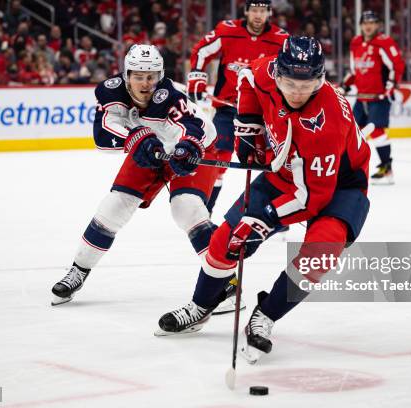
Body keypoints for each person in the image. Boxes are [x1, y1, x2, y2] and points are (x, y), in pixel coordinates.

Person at [156, 37, 371, 364]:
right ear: (277, 72)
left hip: (339, 185)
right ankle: (201, 306)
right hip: (288, 170)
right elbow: (245, 78)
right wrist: (248, 129)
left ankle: (266, 315)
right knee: (224, 240)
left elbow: (312, 199)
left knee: (320, 254)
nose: (298, 92)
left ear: (321, 79)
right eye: (289, 83)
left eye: (308, 84)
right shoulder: (265, 71)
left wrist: (263, 219)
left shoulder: (326, 123)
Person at [50, 45, 225, 310]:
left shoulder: (171, 95)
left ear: (161, 75)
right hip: (148, 145)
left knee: (186, 209)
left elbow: (195, 127)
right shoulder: (111, 91)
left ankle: (227, 285)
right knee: (114, 206)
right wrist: (136, 138)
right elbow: (102, 132)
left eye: (151, 76)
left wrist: (187, 147)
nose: (145, 83)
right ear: (126, 74)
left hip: (195, 149)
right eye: (139, 76)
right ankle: (78, 271)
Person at [188, 0, 288, 215]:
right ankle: (205, 211)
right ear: (246, 12)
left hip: (261, 113)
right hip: (227, 109)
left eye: (262, 11)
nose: (258, 15)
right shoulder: (228, 31)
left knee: (269, 162)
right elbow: (201, 51)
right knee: (217, 160)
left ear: (269, 12)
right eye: (254, 10)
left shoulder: (281, 40)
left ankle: (275, 212)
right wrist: (197, 76)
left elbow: (290, 70)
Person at [341, 10, 405, 185]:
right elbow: (355, 70)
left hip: (379, 98)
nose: (368, 26)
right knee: (352, 133)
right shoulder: (356, 43)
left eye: (372, 22)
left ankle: (386, 169)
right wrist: (345, 85)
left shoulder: (384, 42)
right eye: (365, 22)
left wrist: (388, 89)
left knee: (377, 132)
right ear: (361, 25)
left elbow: (397, 66)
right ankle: (352, 170)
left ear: (378, 25)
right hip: (362, 98)